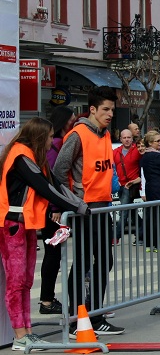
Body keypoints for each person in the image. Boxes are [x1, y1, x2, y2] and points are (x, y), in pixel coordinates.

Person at [0, 117, 90, 351]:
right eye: (50, 136)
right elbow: (46, 188)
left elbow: (54, 185)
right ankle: (21, 335)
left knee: (26, 281)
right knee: (17, 282)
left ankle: (27, 333)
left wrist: (79, 205)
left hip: (25, 224)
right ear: (40, 137)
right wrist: (79, 207)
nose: (53, 140)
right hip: (12, 225)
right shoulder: (21, 156)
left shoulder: (31, 156)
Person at [52, 85, 125, 336]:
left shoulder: (104, 133)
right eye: (105, 109)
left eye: (112, 110)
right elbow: (58, 172)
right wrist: (74, 202)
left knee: (105, 261)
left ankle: (94, 314)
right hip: (85, 208)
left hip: (103, 206)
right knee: (82, 263)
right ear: (92, 110)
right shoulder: (77, 134)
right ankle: (76, 319)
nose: (110, 114)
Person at [39, 105, 76, 316]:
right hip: (52, 210)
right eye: (71, 120)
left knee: (54, 254)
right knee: (53, 254)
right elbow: (52, 180)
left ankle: (47, 299)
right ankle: (46, 300)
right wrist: (55, 207)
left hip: (55, 207)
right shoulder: (55, 146)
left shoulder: (57, 144)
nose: (73, 124)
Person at [140, 130, 160, 251]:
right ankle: (159, 243)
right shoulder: (156, 156)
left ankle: (150, 243)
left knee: (152, 215)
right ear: (149, 142)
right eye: (158, 141)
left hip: (151, 188)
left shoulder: (145, 155)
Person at [113, 129, 143, 245]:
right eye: (124, 138)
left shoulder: (138, 151)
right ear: (120, 139)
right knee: (132, 212)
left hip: (132, 185)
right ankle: (141, 234)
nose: (127, 140)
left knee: (124, 211)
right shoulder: (115, 152)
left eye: (129, 137)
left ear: (132, 138)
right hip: (120, 185)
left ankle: (116, 236)